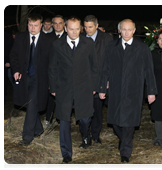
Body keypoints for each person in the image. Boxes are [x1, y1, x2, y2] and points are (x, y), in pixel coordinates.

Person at [98, 19, 157, 163]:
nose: (126, 32)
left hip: (134, 90)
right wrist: (101, 87)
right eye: (124, 29)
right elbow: (104, 68)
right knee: (115, 121)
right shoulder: (111, 47)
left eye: (129, 30)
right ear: (119, 30)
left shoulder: (142, 48)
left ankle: (125, 151)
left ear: (134, 31)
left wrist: (151, 91)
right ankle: (123, 138)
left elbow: (149, 70)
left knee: (130, 122)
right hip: (116, 90)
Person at [48, 16, 98, 163]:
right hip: (64, 89)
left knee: (84, 119)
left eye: (77, 29)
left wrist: (94, 86)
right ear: (65, 28)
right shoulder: (57, 45)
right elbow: (52, 67)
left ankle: (85, 135)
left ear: (80, 29)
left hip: (84, 88)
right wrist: (53, 86)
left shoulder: (88, 43)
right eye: (71, 29)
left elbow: (94, 67)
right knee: (64, 121)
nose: (74, 32)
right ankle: (66, 153)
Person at [10, 13, 56, 146]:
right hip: (24, 78)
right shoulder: (20, 38)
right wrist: (16, 70)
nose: (33, 28)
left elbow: (53, 62)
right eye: (30, 25)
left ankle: (27, 136)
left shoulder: (48, 40)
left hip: (40, 79)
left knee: (31, 104)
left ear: (41, 25)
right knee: (30, 103)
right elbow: (13, 55)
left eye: (36, 25)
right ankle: (38, 129)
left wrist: (51, 81)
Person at [82, 15, 113, 144]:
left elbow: (111, 61)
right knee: (84, 109)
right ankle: (85, 136)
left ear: (96, 25)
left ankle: (95, 134)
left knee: (97, 109)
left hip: (100, 79)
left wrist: (108, 79)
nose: (87, 30)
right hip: (83, 80)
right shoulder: (81, 38)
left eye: (90, 27)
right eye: (85, 27)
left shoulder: (107, 39)